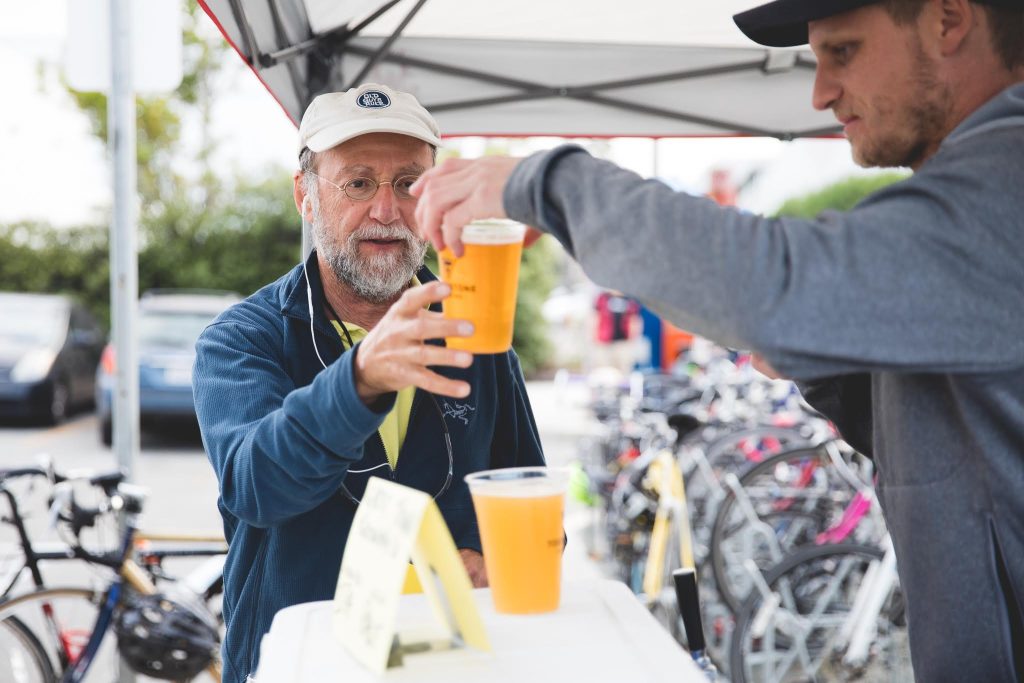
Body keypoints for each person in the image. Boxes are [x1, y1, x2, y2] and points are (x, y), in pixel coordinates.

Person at [409, 1, 1024, 680]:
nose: (819, 94)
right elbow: (950, 450)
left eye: (843, 51)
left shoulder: (1007, 181)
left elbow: (778, 282)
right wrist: (818, 360)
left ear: (947, 19)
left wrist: (541, 182)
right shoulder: (973, 200)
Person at [192, 83, 546, 683]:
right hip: (300, 666)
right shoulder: (243, 340)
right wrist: (359, 380)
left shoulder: (478, 338)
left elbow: (531, 503)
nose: (386, 210)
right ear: (305, 196)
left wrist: (496, 559)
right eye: (358, 183)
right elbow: (255, 487)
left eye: (408, 184)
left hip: (449, 667)